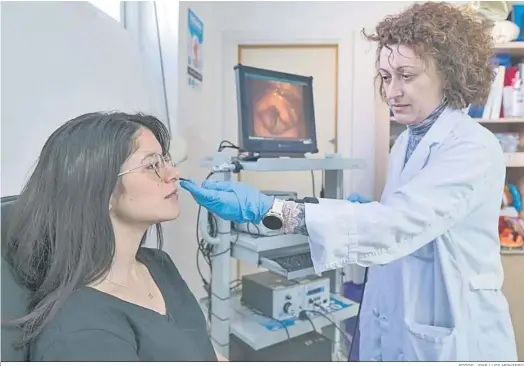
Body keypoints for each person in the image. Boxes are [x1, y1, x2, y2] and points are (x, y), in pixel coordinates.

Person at [180, 2, 518, 361]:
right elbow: (405, 215)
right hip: (402, 312)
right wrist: (368, 211)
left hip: (455, 328)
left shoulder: (472, 146)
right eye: (386, 77)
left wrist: (271, 210)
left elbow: (397, 225)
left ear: (449, 75)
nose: (392, 92)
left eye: (406, 75)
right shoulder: (406, 139)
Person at [3, 112, 219, 361]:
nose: (174, 174)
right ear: (99, 191)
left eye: (165, 160)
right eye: (152, 165)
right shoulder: (82, 335)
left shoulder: (160, 265)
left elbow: (203, 353)